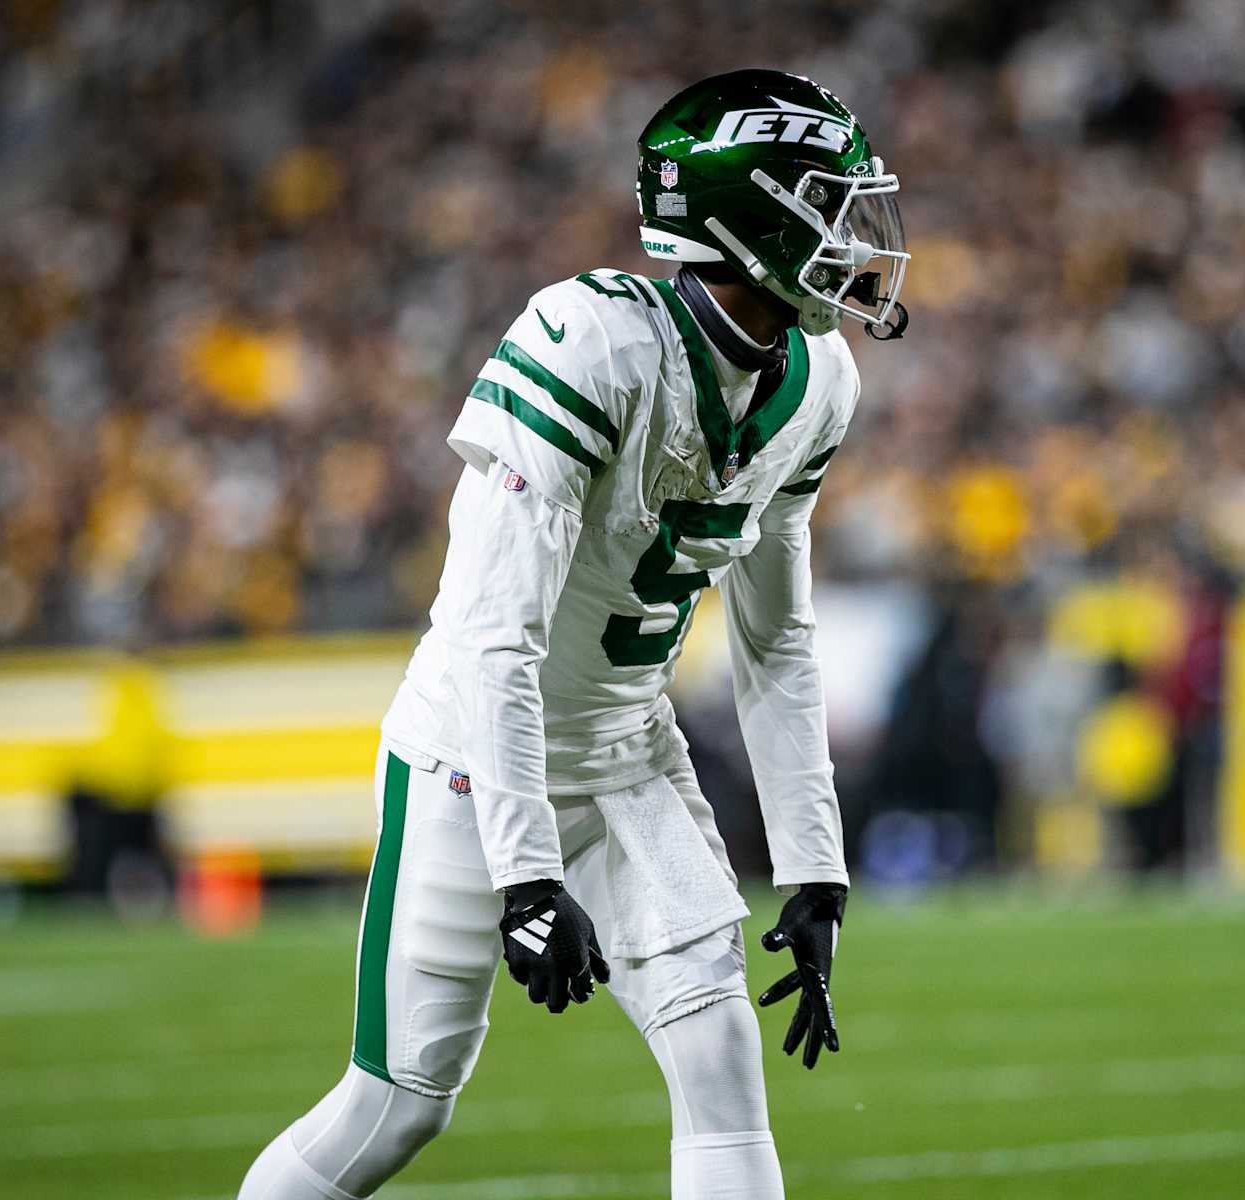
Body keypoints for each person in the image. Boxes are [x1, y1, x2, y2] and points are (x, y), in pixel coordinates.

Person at [238, 69, 908, 1200]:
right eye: (828, 205)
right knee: (397, 1106)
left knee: (721, 1055)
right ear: (749, 218)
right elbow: (495, 639)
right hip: (474, 759)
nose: (856, 234)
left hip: (627, 752)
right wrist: (527, 878)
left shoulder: (818, 381)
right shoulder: (589, 340)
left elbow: (777, 641)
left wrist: (814, 866)